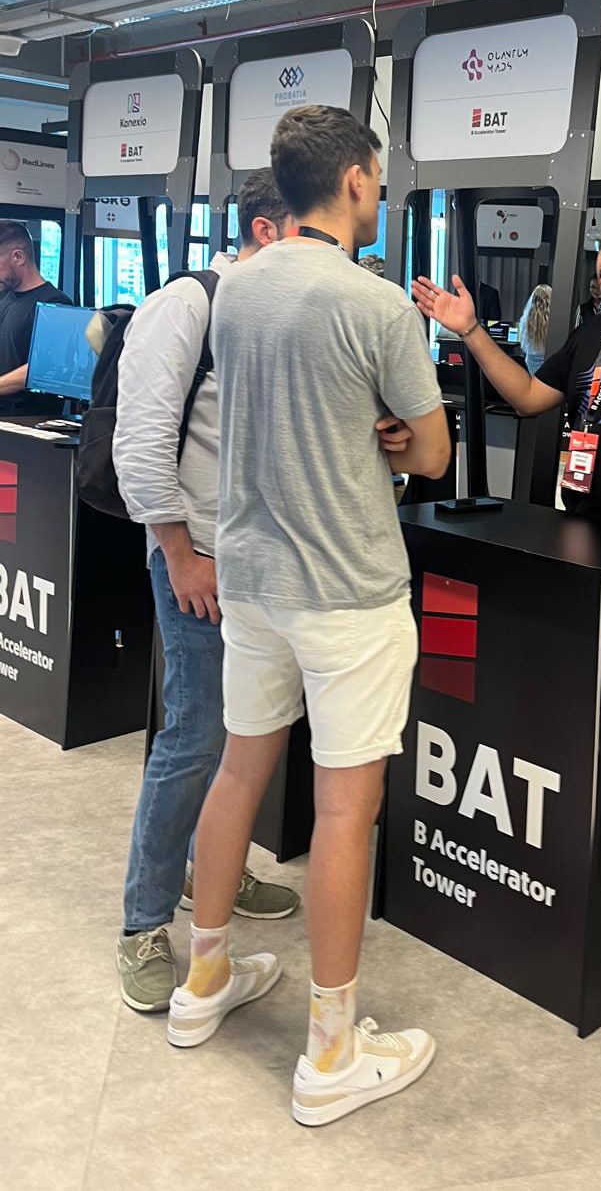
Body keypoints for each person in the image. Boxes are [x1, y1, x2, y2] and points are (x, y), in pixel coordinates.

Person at [169, 106, 450, 1127]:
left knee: (240, 767)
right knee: (344, 809)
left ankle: (201, 983)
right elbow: (430, 454)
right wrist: (386, 437)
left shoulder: (235, 286)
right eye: (378, 178)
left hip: (253, 581)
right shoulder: (375, 304)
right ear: (360, 180)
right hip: (348, 592)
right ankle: (330, 1052)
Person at [414, 204, 601, 880]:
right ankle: (600, 810)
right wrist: (469, 332)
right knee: (592, 684)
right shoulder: (591, 332)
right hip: (582, 536)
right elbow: (528, 395)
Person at [112, 168, 299, 1014]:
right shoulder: (188, 304)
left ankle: (210, 870)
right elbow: (141, 443)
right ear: (267, 231)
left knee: (244, 731)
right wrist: (180, 553)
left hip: (268, 563)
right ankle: (144, 924)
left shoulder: (279, 316)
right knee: (192, 733)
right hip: (200, 560)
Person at [0, 220, 72, 415]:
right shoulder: (5, 297)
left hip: (26, 421)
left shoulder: (56, 303)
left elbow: (45, 367)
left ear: (18, 257)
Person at [519, 283, 552, 377]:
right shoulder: (554, 320)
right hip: (548, 360)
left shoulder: (526, 319)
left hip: (531, 361)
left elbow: (524, 345)